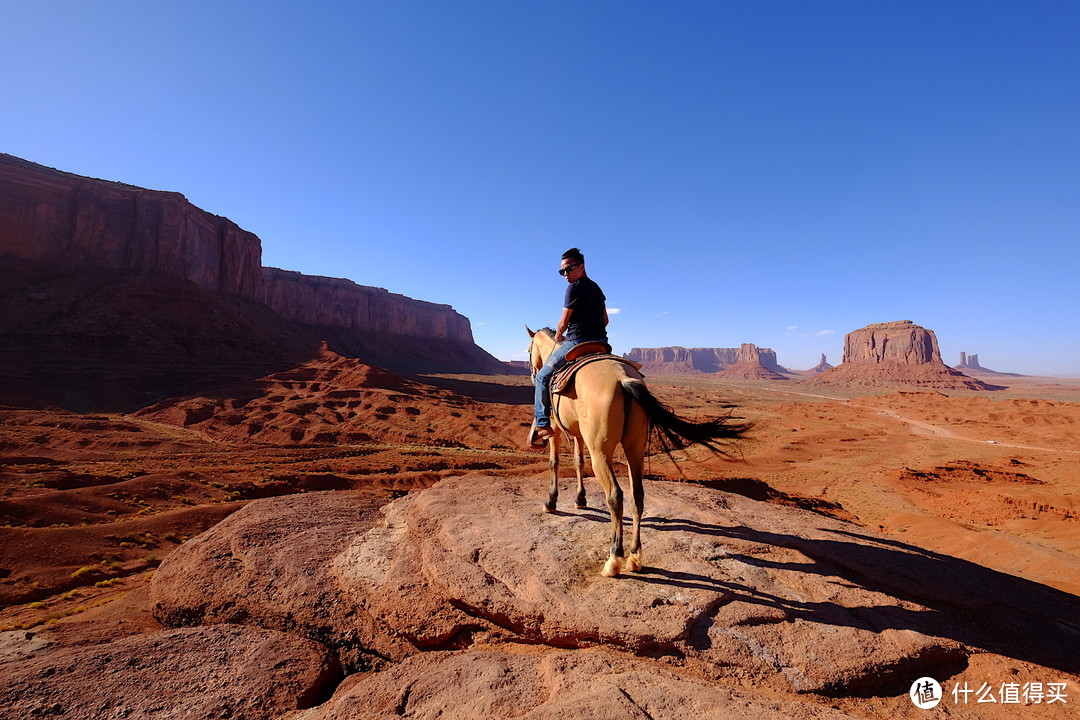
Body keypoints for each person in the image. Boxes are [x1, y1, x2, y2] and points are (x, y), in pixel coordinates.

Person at [531, 247, 609, 446]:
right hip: (601, 343)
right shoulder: (597, 289)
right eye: (562, 271)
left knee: (541, 377)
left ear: (581, 266)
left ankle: (542, 424)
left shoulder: (574, 288)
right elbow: (605, 320)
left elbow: (563, 322)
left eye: (569, 269)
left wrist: (558, 336)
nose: (565, 274)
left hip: (577, 342)